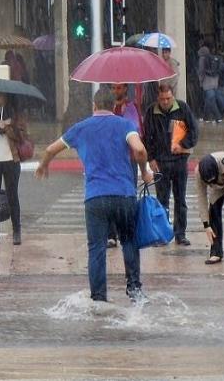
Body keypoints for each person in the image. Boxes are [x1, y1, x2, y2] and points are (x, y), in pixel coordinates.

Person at [35, 87, 153, 302]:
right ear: (113, 106)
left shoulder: (80, 128)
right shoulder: (125, 124)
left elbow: (51, 149)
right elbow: (140, 150)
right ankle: (134, 289)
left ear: (94, 105)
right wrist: (144, 171)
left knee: (96, 248)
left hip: (95, 197)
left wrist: (43, 166)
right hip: (124, 194)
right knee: (129, 241)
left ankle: (99, 297)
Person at [143, 83, 199, 246]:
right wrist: (151, 159)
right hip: (160, 162)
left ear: (172, 96)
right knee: (162, 200)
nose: (165, 102)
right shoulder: (151, 112)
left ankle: (180, 233)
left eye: (168, 98)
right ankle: (162, 234)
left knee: (180, 199)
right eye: (162, 99)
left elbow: (194, 131)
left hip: (179, 161)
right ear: (157, 98)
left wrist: (184, 145)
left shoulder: (182, 108)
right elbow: (147, 138)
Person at [0, 92, 26, 246]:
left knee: (12, 196)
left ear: (6, 97)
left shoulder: (15, 114)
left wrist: (8, 127)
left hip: (11, 159)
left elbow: (21, 136)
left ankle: (16, 230)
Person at [108, 82, 142, 248]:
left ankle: (128, 230)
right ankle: (111, 234)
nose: (116, 91)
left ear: (125, 89)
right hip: (111, 158)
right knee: (111, 195)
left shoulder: (131, 108)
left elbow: (136, 130)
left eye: (119, 87)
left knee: (128, 195)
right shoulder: (107, 108)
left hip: (128, 159)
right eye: (114, 88)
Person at [197, 152, 224, 264]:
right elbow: (201, 197)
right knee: (213, 211)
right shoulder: (199, 172)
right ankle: (216, 252)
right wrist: (206, 224)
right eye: (208, 182)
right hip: (218, 188)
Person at [197, 42, 221, 123]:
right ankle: (206, 117)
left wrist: (200, 81)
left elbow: (201, 71)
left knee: (211, 99)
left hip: (207, 81)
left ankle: (218, 117)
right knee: (209, 99)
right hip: (215, 81)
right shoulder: (214, 58)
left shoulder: (202, 58)